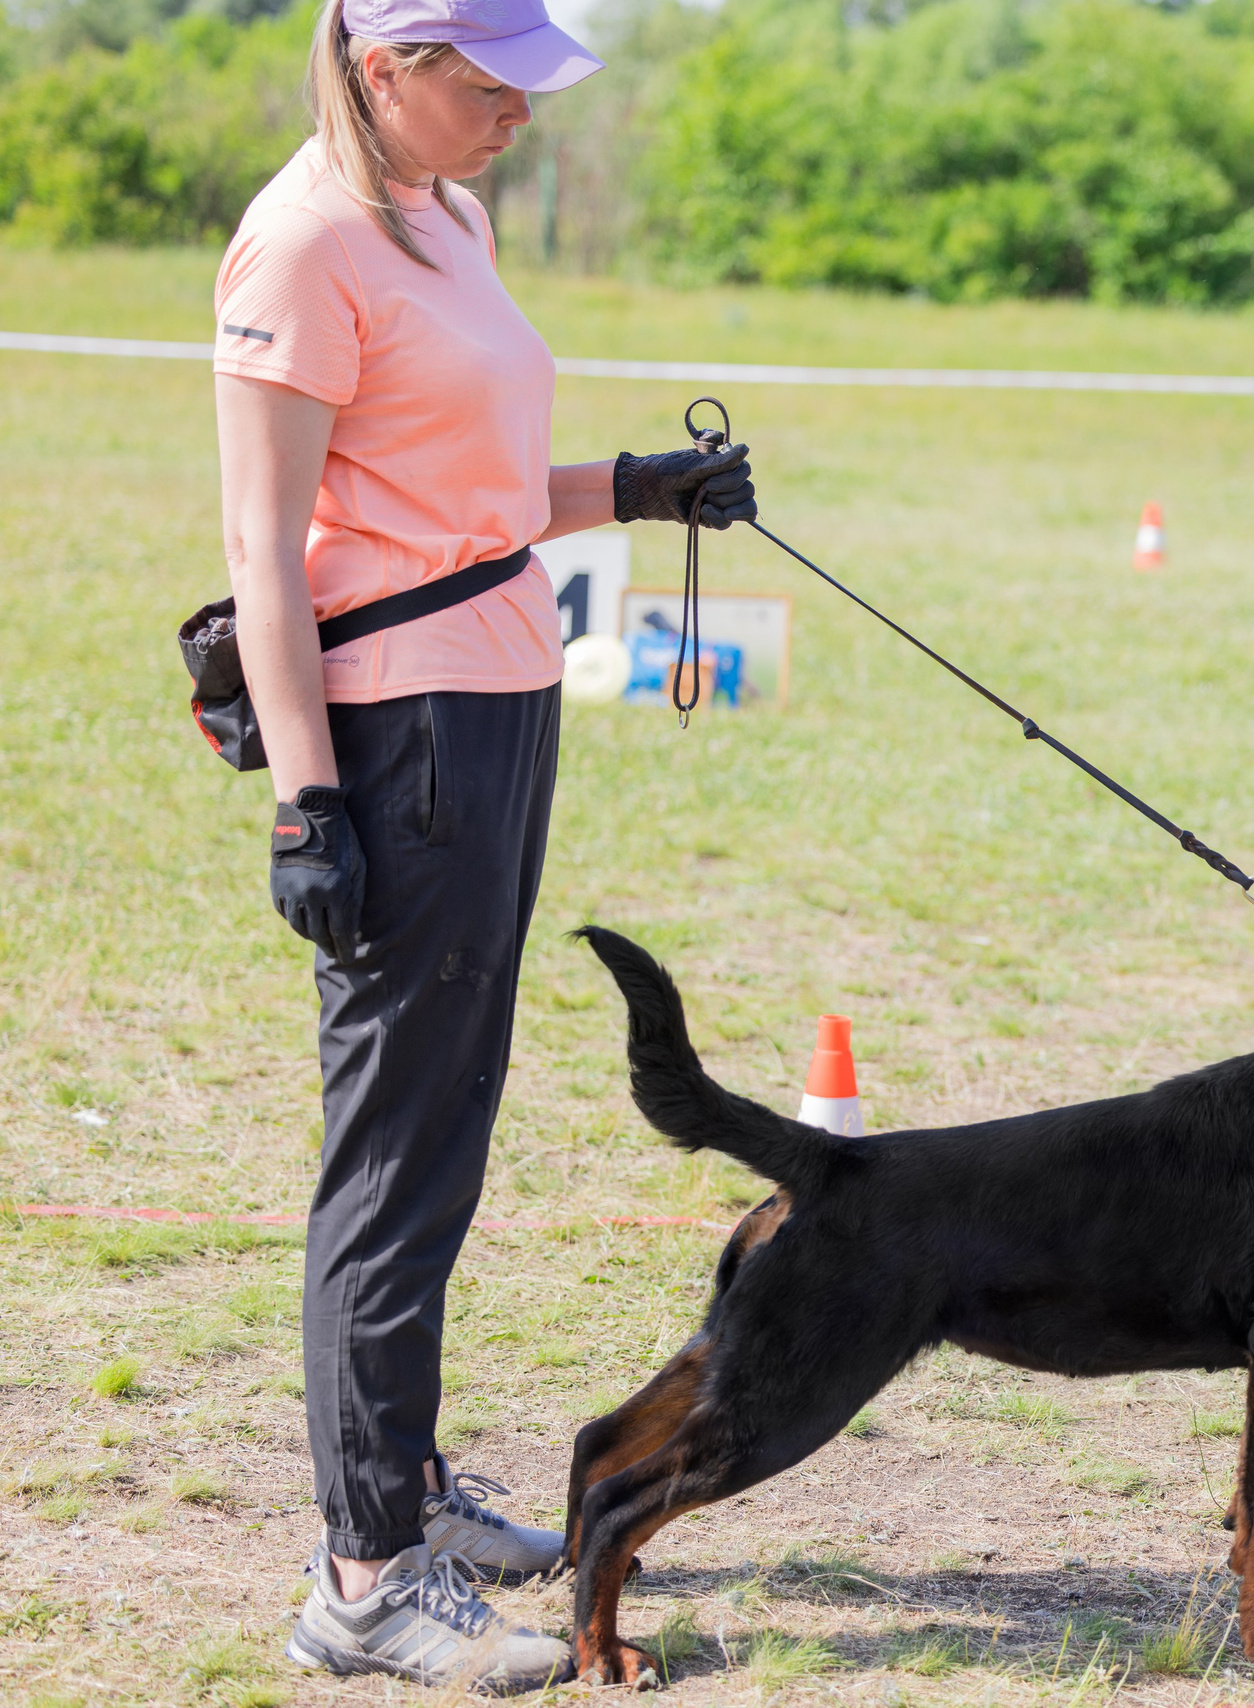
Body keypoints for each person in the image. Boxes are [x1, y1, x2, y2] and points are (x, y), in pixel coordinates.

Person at [213, 0, 755, 1687]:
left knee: (447, 1118)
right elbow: (267, 546)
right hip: (400, 731)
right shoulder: (301, 243)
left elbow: (481, 484)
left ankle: (413, 1487)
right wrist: (309, 794)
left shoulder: (446, 219)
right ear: (390, 71)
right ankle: (365, 1573)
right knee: (391, 1153)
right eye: (493, 80)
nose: (522, 108)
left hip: (505, 696)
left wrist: (640, 489)